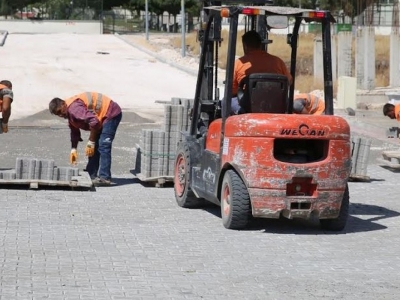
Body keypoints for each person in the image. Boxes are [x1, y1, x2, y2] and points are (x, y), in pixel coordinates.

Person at [49, 92, 122, 186]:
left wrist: (91, 141)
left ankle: (105, 178)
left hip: (111, 113)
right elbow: (74, 131)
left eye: (59, 111)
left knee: (104, 145)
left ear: (63, 103)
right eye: (57, 114)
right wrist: (73, 149)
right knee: (94, 147)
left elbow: (94, 122)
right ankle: (91, 173)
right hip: (101, 118)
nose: (60, 115)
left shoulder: (73, 109)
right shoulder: (69, 113)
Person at [230, 30, 292, 114]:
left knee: (225, 101)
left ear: (245, 46)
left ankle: (231, 122)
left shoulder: (239, 63)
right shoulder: (277, 61)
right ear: (260, 45)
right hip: (275, 104)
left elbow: (232, 90)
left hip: (248, 106)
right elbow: (289, 81)